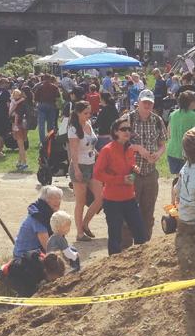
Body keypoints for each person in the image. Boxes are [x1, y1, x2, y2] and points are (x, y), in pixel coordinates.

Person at [94, 116, 148, 255]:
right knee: (115, 237)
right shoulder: (107, 150)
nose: (127, 132)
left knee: (141, 233)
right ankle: (112, 266)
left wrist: (134, 168)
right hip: (112, 200)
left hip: (129, 198)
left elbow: (129, 165)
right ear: (115, 132)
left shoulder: (129, 149)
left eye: (129, 129)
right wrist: (121, 179)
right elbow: (98, 174)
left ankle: (141, 262)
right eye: (123, 129)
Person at [123, 89, 167, 247]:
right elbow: (118, 144)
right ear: (139, 103)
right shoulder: (128, 119)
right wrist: (138, 149)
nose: (147, 105)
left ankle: (144, 247)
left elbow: (162, 144)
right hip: (131, 172)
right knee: (128, 211)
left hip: (150, 172)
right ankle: (125, 249)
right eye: (145, 102)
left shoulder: (157, 120)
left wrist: (158, 154)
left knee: (148, 212)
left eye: (150, 103)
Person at [67, 101, 104, 241]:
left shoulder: (88, 124)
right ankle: (79, 233)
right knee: (80, 202)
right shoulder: (73, 129)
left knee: (100, 197)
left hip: (92, 165)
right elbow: (73, 151)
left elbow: (91, 145)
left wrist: (99, 155)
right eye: (85, 113)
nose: (88, 115)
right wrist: (76, 169)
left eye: (90, 113)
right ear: (77, 113)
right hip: (80, 166)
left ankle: (85, 223)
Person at [14, 185, 63, 257]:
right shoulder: (39, 217)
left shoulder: (47, 213)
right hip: (24, 257)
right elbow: (48, 248)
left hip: (36, 251)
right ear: (45, 201)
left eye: (59, 198)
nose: (58, 201)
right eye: (54, 198)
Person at [0, 251, 66, 297]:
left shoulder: (46, 260)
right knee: (30, 294)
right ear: (48, 272)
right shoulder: (32, 274)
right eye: (54, 278)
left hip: (15, 267)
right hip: (6, 274)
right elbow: (27, 292)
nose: (54, 280)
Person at [166, 90, 195, 174]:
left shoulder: (173, 114)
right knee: (188, 178)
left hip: (172, 151)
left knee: (178, 178)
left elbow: (168, 133)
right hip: (187, 153)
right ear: (191, 102)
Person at [33, 73, 61, 146]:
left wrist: (36, 105)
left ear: (43, 79)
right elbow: (58, 97)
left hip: (42, 105)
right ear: (50, 78)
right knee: (50, 125)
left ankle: (42, 142)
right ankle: (50, 141)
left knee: (41, 125)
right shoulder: (54, 87)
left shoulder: (40, 87)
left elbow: (35, 98)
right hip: (52, 105)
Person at [9, 88, 29, 171]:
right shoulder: (24, 102)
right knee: (22, 144)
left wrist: (15, 125)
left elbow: (13, 114)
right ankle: (20, 161)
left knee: (21, 146)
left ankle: (24, 163)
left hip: (17, 125)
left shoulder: (15, 103)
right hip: (25, 125)